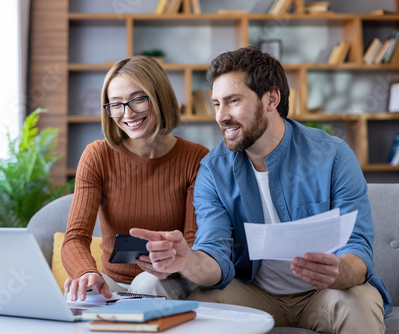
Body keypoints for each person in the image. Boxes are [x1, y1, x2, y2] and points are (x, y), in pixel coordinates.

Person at [131, 47, 392, 333]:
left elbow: (358, 247)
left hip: (325, 293)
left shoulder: (333, 155)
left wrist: (338, 271)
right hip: (253, 293)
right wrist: (188, 261)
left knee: (361, 300)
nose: (221, 116)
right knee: (204, 307)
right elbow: (214, 252)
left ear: (271, 98)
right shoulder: (213, 170)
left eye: (233, 101)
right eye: (216, 104)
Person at [61, 55, 209, 302]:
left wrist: (168, 262)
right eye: (116, 104)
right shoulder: (97, 156)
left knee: (148, 283)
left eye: (138, 99)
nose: (127, 114)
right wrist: (86, 273)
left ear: (160, 98)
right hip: (112, 280)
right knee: (85, 294)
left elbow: (193, 241)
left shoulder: (195, 158)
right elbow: (75, 238)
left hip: (166, 280)